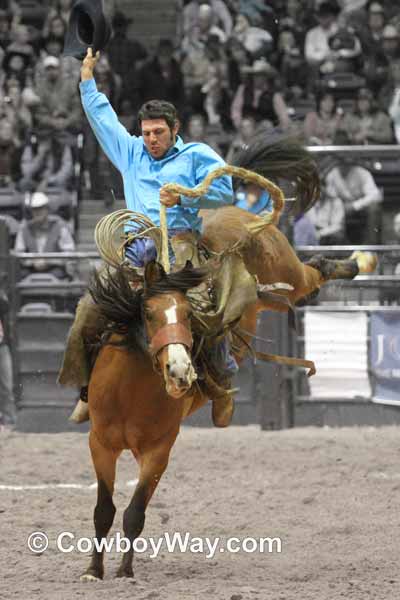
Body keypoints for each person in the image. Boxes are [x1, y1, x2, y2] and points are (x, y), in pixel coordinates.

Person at [63, 47, 235, 427]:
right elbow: (103, 119)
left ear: (175, 130)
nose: (151, 139)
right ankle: (87, 391)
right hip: (136, 249)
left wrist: (189, 194)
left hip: (182, 246)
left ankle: (222, 385)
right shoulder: (131, 152)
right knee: (88, 312)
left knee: (210, 312)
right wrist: (87, 80)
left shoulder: (196, 155)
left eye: (159, 132)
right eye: (146, 133)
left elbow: (228, 192)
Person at [14, 191, 75, 279]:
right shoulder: (24, 229)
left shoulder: (60, 226)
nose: (37, 212)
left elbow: (69, 252)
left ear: (47, 209)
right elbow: (18, 254)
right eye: (35, 209)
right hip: (30, 269)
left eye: (41, 208)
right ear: (31, 211)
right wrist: (31, 262)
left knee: (60, 275)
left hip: (54, 268)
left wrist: (49, 261)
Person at [0, 286, 17, 431]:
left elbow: (5, 305)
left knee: (7, 386)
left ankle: (9, 420)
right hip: (2, 346)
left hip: (2, 346)